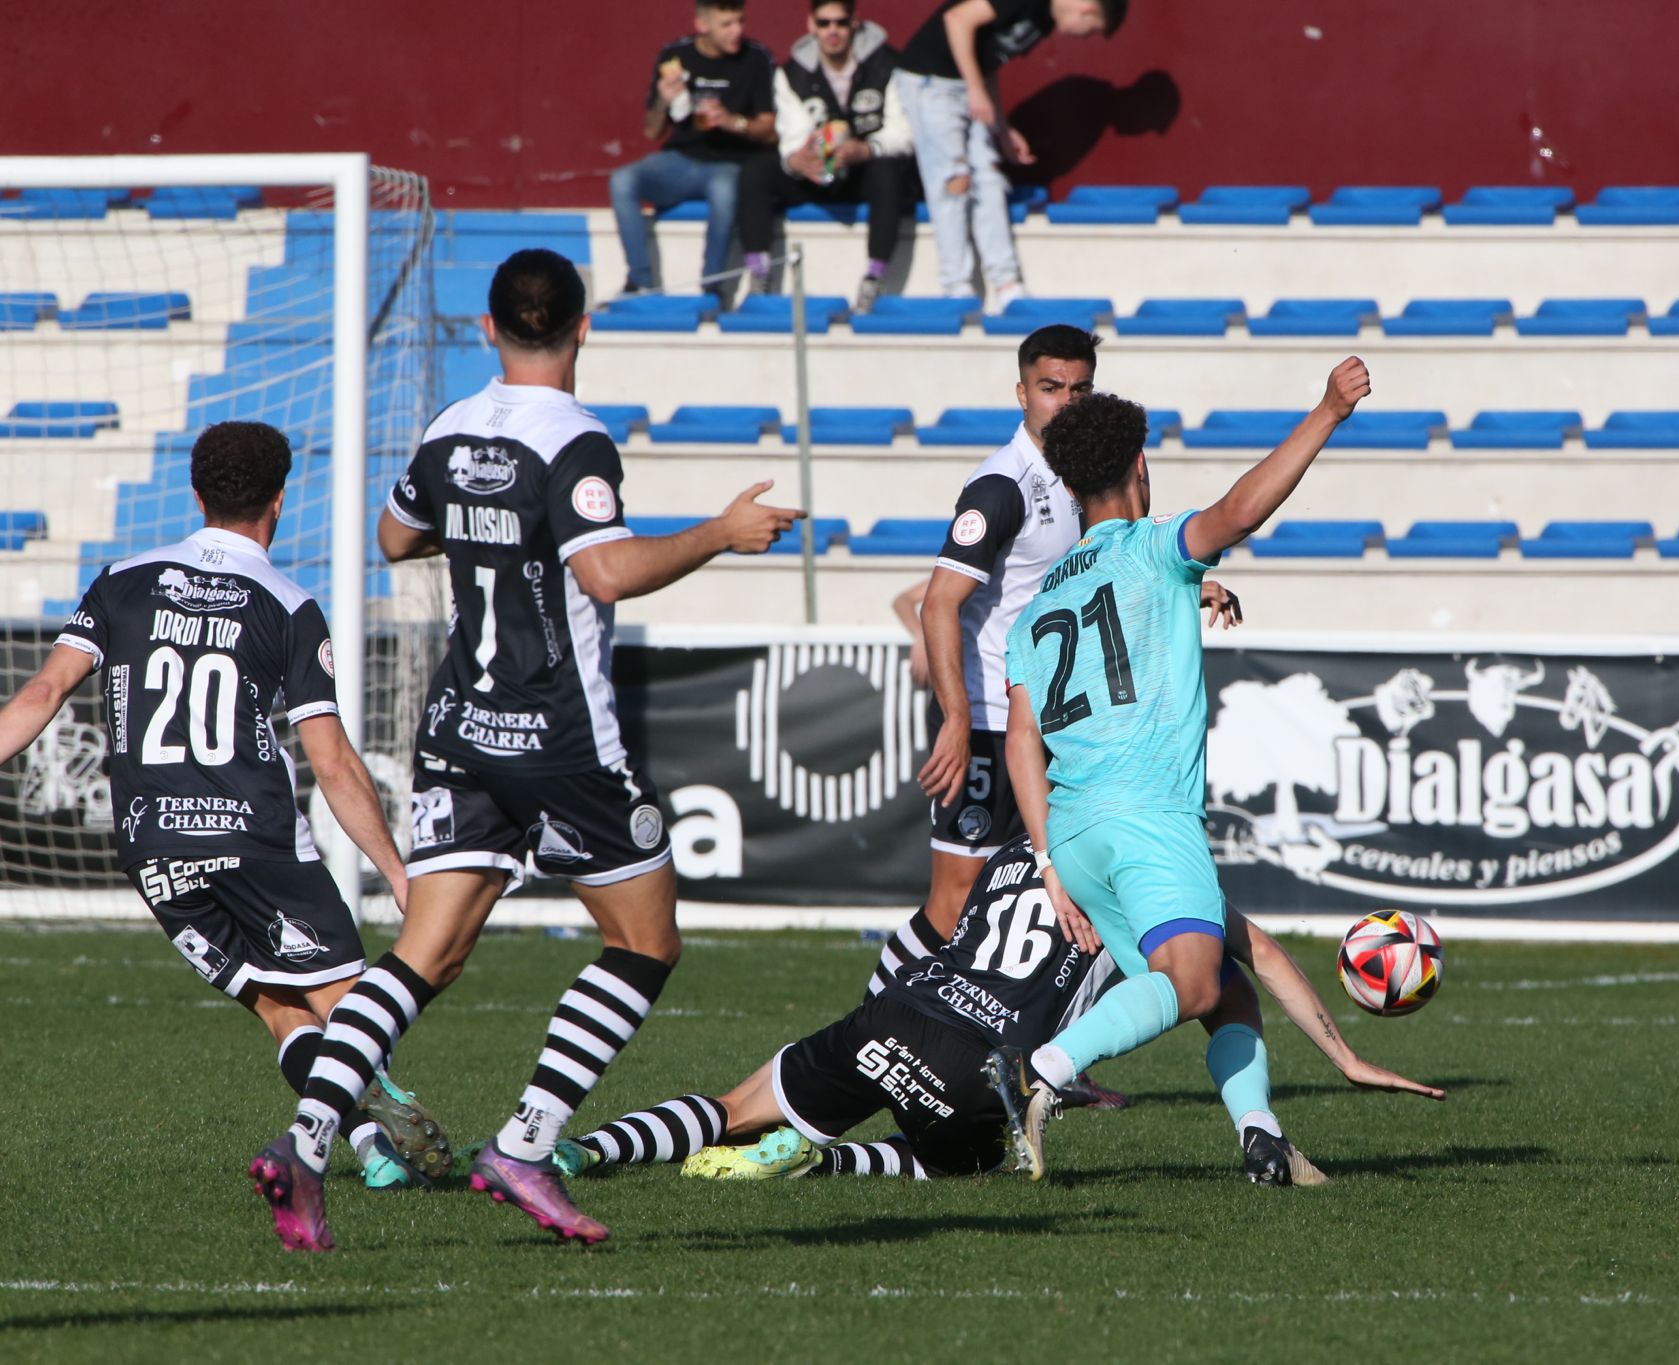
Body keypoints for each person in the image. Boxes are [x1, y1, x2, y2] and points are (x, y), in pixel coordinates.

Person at [249, 248, 803, 1252]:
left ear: (488, 330)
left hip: (461, 724)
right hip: (557, 734)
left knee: (424, 953)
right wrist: (721, 529)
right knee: (643, 943)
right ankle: (526, 1143)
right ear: (584, 329)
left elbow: (391, 536)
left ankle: (308, 1137)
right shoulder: (577, 440)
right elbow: (605, 574)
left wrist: (477, 521)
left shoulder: (453, 425)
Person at [0, 421, 448, 1192]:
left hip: (154, 848)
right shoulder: (287, 603)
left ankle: (374, 1139)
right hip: (257, 838)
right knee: (350, 1006)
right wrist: (398, 873)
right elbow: (332, 760)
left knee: (280, 1011)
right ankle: (373, 1135)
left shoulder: (122, 581)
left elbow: (42, 693)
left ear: (197, 493)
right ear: (280, 500)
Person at [986, 361, 1396, 1180]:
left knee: (1228, 991)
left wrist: (1046, 857)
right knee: (1196, 979)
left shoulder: (1037, 608)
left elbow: (1020, 740)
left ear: (1067, 489)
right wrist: (1327, 412)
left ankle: (1262, 1136)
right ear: (1141, 466)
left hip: (1074, 832)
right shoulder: (1151, 546)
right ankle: (1046, 1068)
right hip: (1146, 814)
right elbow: (1241, 510)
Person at [561, 833, 1439, 1184]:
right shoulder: (1144, 878)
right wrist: (1345, 1056)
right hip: (978, 1068)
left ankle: (580, 1147)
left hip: (897, 1013)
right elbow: (1248, 961)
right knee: (968, 1162)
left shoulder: (1019, 849)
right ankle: (828, 1167)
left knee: (729, 1105)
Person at [873, 325, 1240, 1015]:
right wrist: (955, 719)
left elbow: (1106, 571)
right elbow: (937, 602)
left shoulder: (1079, 478)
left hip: (1056, 726)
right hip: (988, 719)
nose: (1066, 403)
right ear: (1021, 392)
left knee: (1060, 901)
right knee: (955, 903)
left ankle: (1044, 1055)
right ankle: (875, 1021)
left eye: (1079, 388)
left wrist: (1191, 585)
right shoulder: (1001, 488)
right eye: (1050, 388)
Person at [894, 0, 1126, 308]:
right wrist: (974, 90)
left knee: (990, 179)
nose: (1082, 38)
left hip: (966, 88)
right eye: (1090, 31)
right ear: (1086, 9)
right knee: (953, 182)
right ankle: (955, 286)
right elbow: (957, 19)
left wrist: (1001, 127)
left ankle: (1006, 283)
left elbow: (988, 62)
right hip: (931, 83)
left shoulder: (1042, 21)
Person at [738, 0, 915, 312]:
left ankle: (874, 278)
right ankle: (759, 275)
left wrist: (866, 149)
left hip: (864, 169)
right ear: (811, 25)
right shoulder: (792, 73)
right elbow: (791, 134)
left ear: (854, 23)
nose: (833, 31)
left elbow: (903, 132)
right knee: (756, 170)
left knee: (887, 172)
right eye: (824, 23)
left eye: (840, 23)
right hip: (815, 174)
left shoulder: (887, 64)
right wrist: (797, 159)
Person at [609, 0, 778, 299]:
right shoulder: (676, 55)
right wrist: (663, 99)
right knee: (622, 180)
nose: (736, 31)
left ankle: (711, 286)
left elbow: (771, 130)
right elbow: (652, 131)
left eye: (740, 21)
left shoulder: (756, 58)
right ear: (703, 25)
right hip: (680, 160)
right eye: (726, 24)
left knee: (726, 192)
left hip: (731, 162)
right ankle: (641, 281)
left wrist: (731, 121)